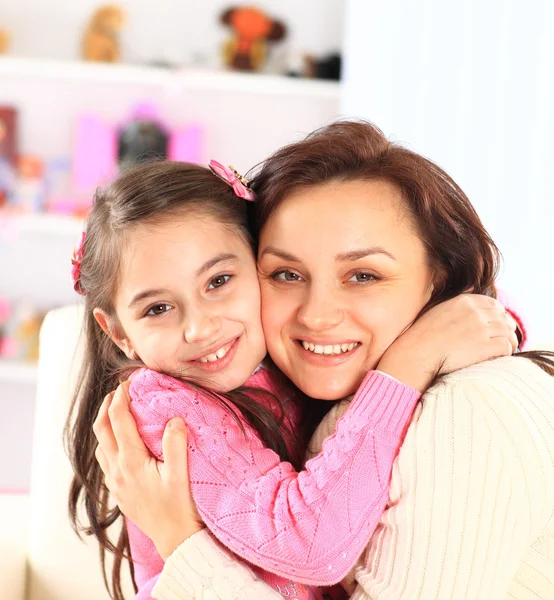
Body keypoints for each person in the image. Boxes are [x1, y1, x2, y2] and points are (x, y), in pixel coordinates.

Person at [95, 121, 554, 600]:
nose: (316, 316)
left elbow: (480, 324)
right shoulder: (184, 398)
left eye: (363, 275)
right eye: (287, 273)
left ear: (441, 282)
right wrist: (409, 362)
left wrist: (475, 326)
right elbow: (310, 542)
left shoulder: (464, 413)